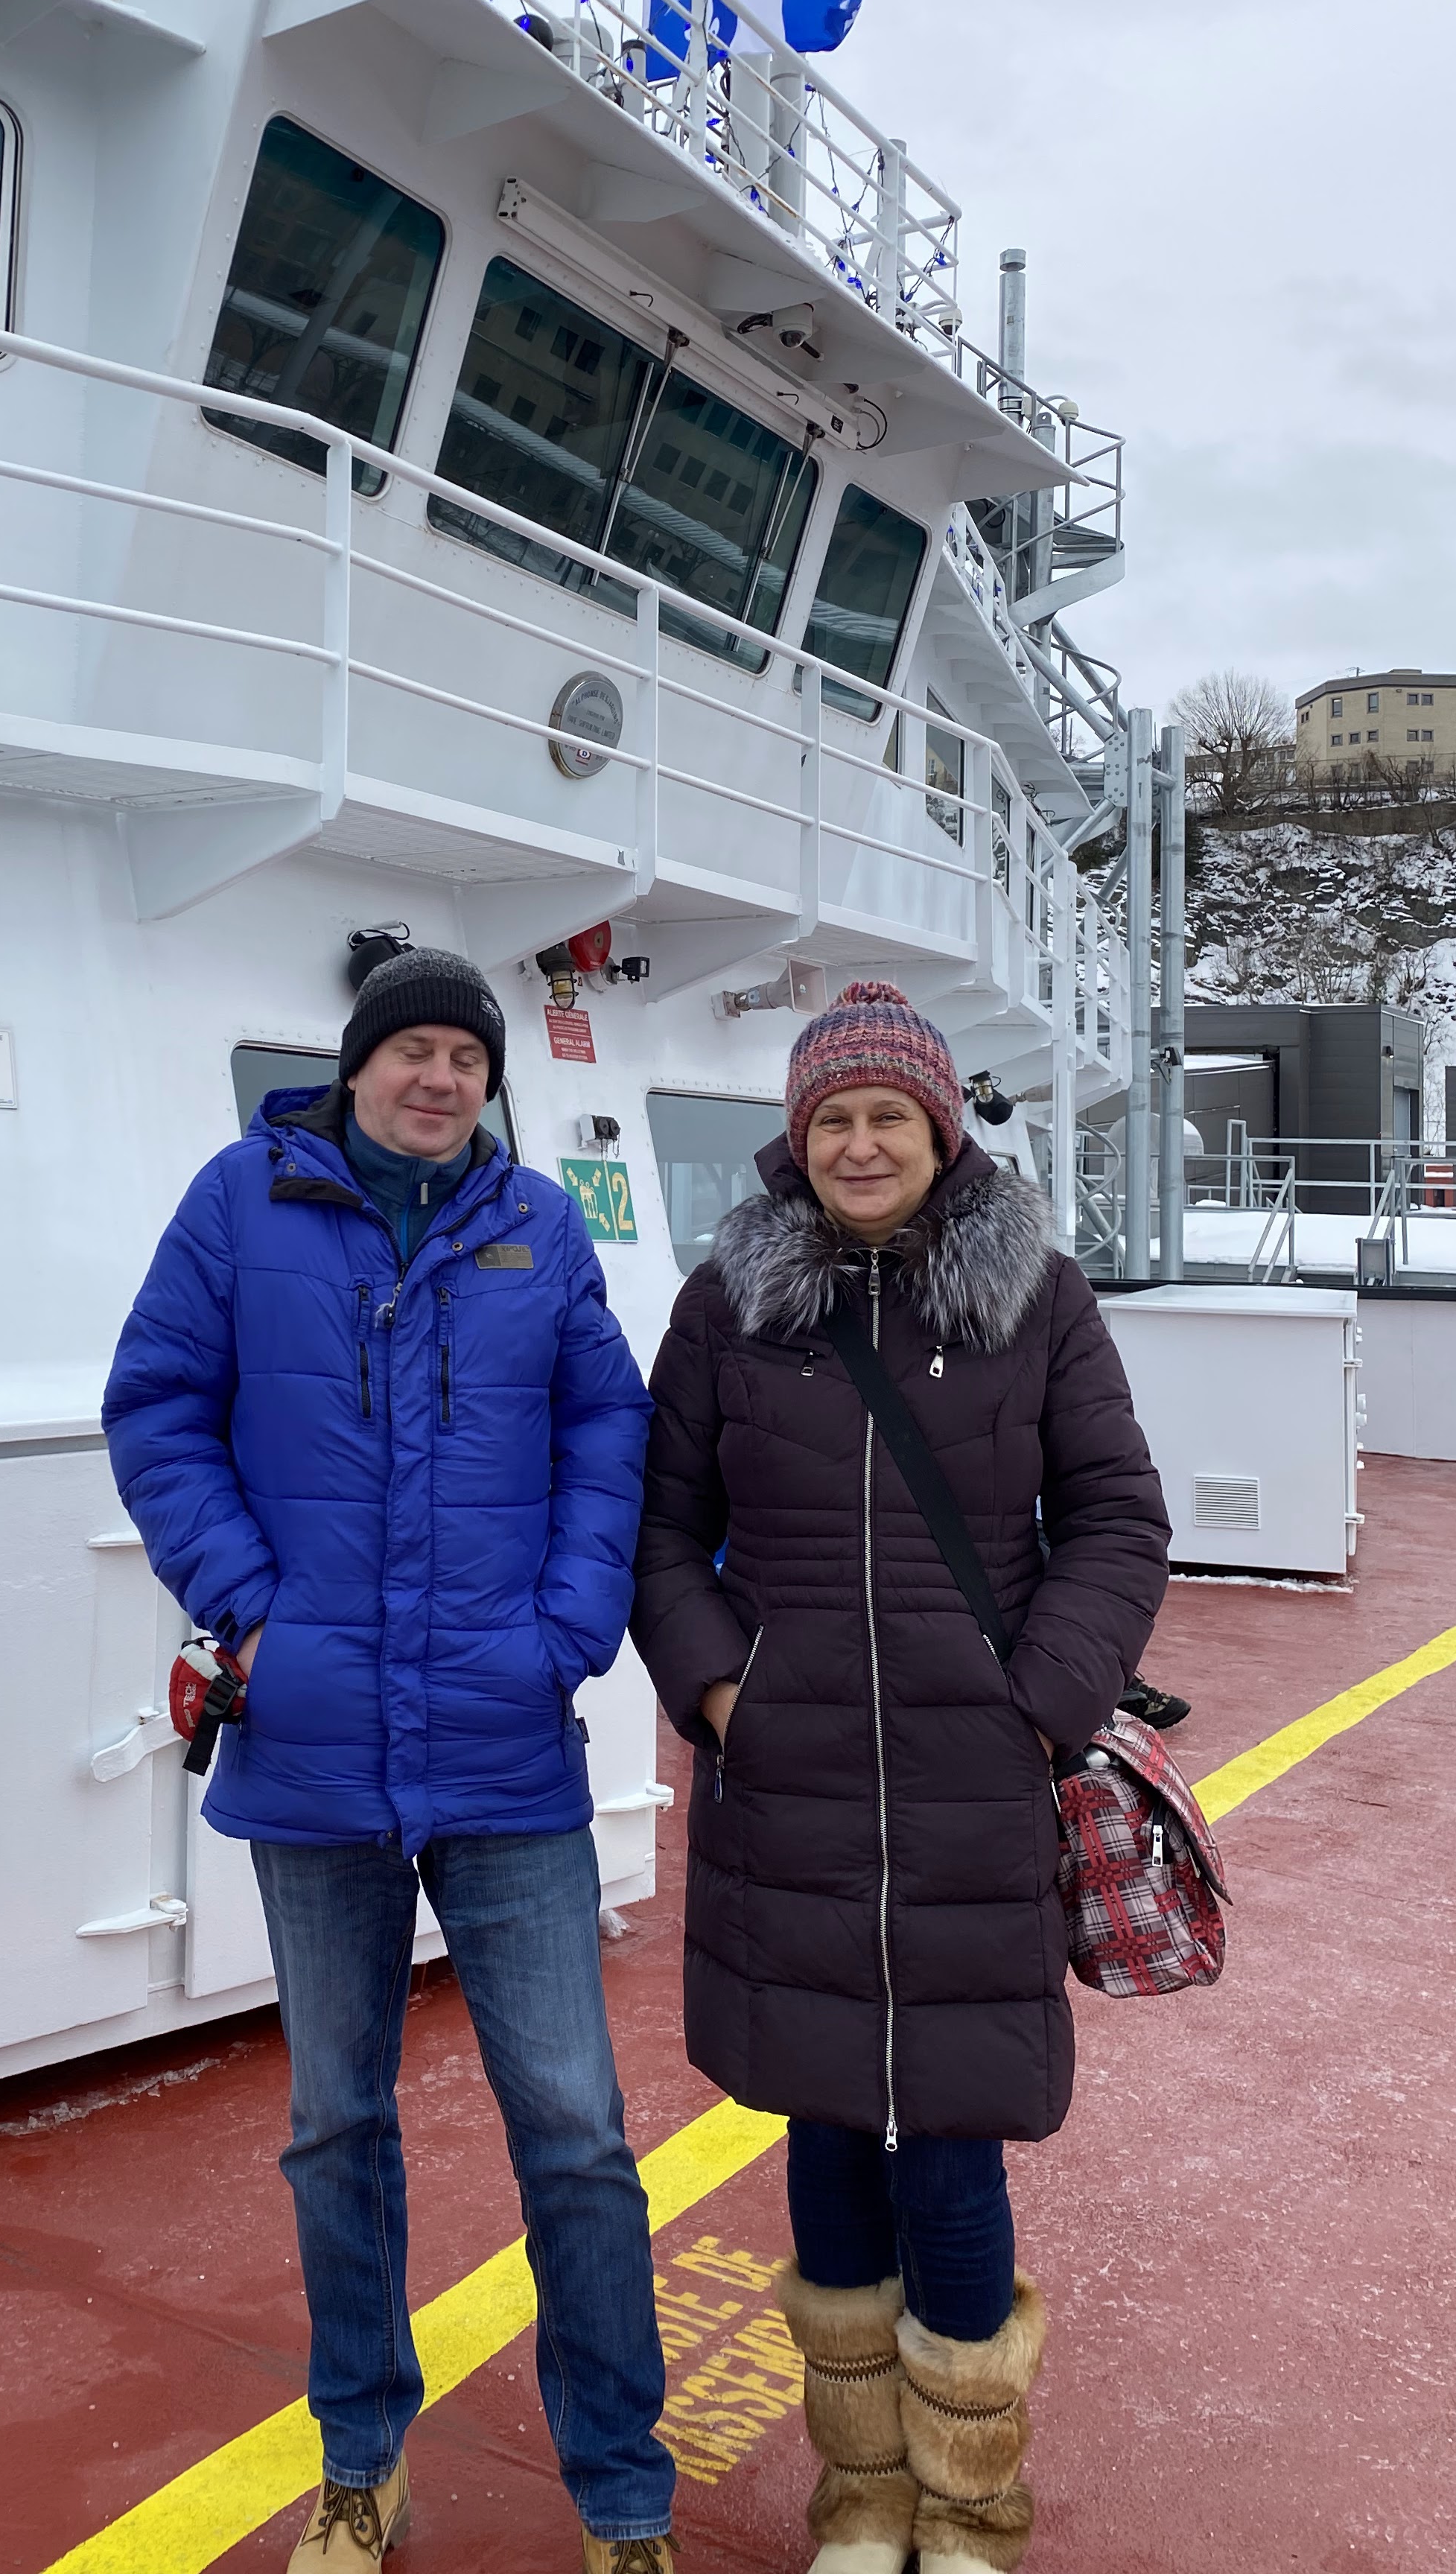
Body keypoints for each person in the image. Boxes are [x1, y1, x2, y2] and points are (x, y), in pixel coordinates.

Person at [104, 944, 678, 2574]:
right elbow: (158, 1407)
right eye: (412, 1050)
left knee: (575, 2126)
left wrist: (567, 1626)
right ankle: (362, 2464)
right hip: (316, 1747)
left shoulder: (537, 1226)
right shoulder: (241, 1205)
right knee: (337, 2124)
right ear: (356, 1066)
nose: (439, 1079)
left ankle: (622, 2496)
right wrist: (254, 1611)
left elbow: (606, 1427)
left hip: (503, 1741)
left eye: (467, 1059)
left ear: (490, 1085)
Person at [629, 979, 1172, 2574]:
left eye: (890, 1116)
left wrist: (1040, 1707)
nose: (861, 1144)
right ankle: (863, 2500)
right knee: (819, 2134)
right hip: (785, 1789)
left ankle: (972, 2508)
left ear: (942, 1131)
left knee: (948, 2145)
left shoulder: (1037, 1300)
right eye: (833, 1119)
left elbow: (1118, 1516)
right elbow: (661, 1530)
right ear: (796, 1141)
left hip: (971, 1787)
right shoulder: (726, 1309)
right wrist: (722, 1691)